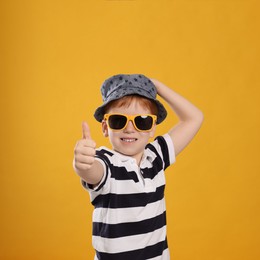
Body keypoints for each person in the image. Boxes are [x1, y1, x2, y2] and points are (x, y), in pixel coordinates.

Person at [73, 74, 204, 260]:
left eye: (142, 121)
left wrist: (156, 86)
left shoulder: (156, 157)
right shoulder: (107, 162)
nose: (129, 128)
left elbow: (195, 118)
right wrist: (82, 164)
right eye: (118, 120)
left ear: (152, 128)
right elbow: (93, 171)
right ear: (105, 127)